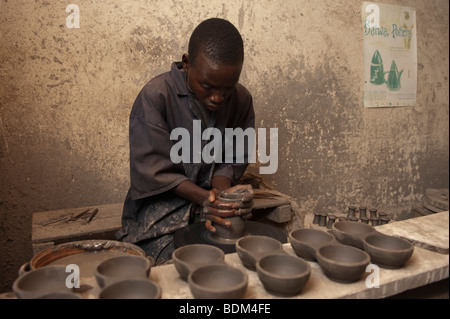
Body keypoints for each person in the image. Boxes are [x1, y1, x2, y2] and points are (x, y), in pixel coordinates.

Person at [115, 18, 255, 264]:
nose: (217, 97)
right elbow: (155, 171)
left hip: (209, 215)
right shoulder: (156, 96)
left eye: (228, 88)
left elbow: (229, 161)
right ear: (187, 63)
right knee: (185, 269)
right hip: (160, 218)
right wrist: (204, 199)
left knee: (242, 262)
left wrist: (222, 196)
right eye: (207, 86)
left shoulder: (241, 100)